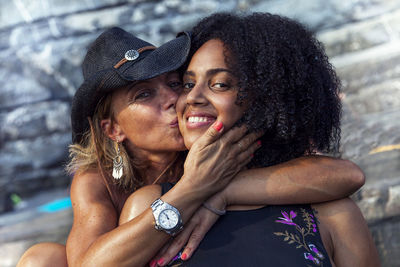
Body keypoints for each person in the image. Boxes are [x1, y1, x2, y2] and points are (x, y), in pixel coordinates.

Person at [17, 26, 364, 267]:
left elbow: (342, 174)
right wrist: (193, 189)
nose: (175, 100)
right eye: (144, 94)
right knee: (42, 258)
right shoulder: (98, 180)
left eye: (174, 83)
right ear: (112, 128)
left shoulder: (211, 142)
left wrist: (220, 189)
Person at [120, 13, 380, 267]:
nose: (193, 98)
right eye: (188, 84)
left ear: (269, 99)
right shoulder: (147, 206)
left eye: (220, 84)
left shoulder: (334, 215)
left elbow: (350, 175)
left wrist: (220, 191)